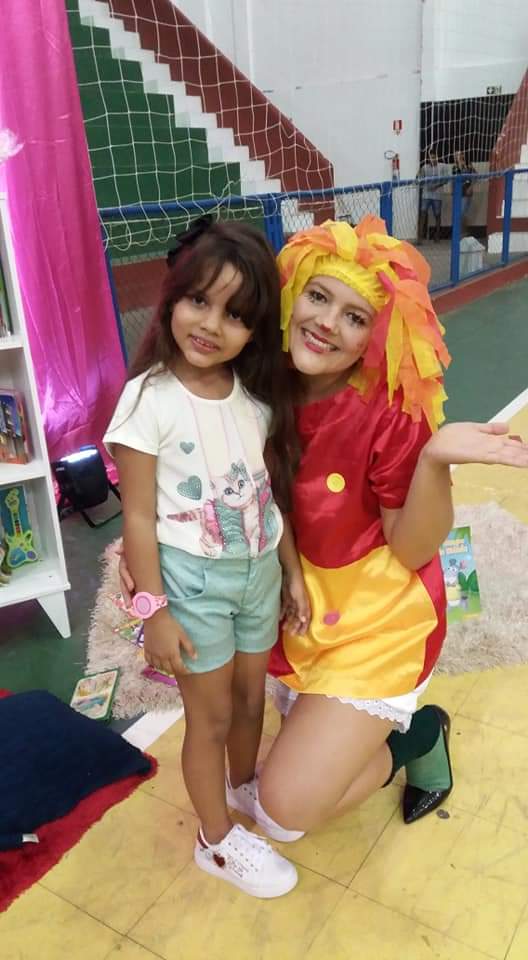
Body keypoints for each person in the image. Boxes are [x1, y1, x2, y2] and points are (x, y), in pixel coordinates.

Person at [118, 217, 528, 846]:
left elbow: (414, 548)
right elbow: (183, 479)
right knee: (266, 742)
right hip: (284, 599)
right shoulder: (251, 377)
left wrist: (433, 461)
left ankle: (419, 736)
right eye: (318, 296)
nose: (328, 323)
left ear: (377, 335)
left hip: (374, 620)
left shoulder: (388, 412)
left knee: (282, 813)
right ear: (289, 296)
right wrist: (145, 566)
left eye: (355, 316)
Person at [104, 218, 303, 899]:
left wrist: (291, 572)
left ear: (255, 331)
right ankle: (215, 841)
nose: (212, 325)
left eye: (236, 314)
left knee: (250, 701)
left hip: (259, 573)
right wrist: (153, 612)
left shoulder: (255, 399)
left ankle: (241, 792)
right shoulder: (148, 399)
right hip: (193, 584)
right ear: (173, 299)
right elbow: (137, 516)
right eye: (199, 301)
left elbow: (267, 495)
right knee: (210, 718)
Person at [417, 148, 446, 243]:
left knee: (437, 215)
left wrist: (436, 186)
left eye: (434, 157)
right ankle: (420, 237)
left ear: (437, 157)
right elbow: (419, 179)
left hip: (437, 195)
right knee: (422, 214)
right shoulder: (424, 167)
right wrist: (418, 176)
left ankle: (437, 236)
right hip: (426, 195)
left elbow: (446, 180)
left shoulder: (442, 167)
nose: (432, 159)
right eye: (431, 158)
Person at [452, 151, 477, 235]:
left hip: (466, 193)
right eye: (456, 155)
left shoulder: (468, 165)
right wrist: (453, 191)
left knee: (462, 213)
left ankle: (464, 232)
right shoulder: (455, 167)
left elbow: (475, 176)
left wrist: (471, 187)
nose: (457, 156)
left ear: (463, 155)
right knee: (458, 214)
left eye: (459, 154)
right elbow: (454, 180)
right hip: (458, 193)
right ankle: (460, 232)